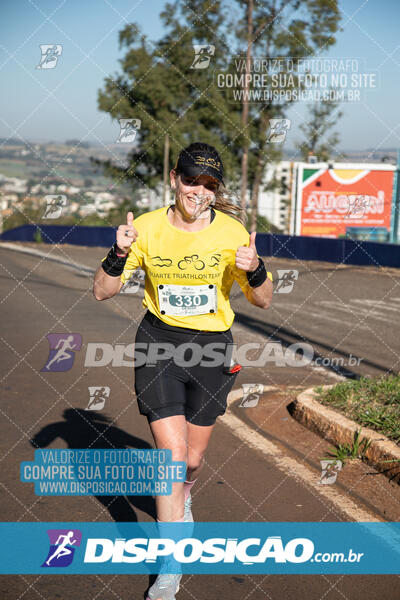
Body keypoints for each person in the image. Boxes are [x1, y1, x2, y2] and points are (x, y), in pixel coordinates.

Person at [93, 142, 273, 600]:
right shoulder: (147, 228)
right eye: (191, 180)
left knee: (191, 461)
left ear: (215, 190)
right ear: (175, 177)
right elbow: (102, 291)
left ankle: (187, 492)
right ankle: (169, 572)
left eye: (209, 185)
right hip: (159, 343)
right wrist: (118, 252)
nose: (199, 191)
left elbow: (264, 299)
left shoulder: (231, 232)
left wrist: (254, 270)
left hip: (212, 349)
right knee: (170, 462)